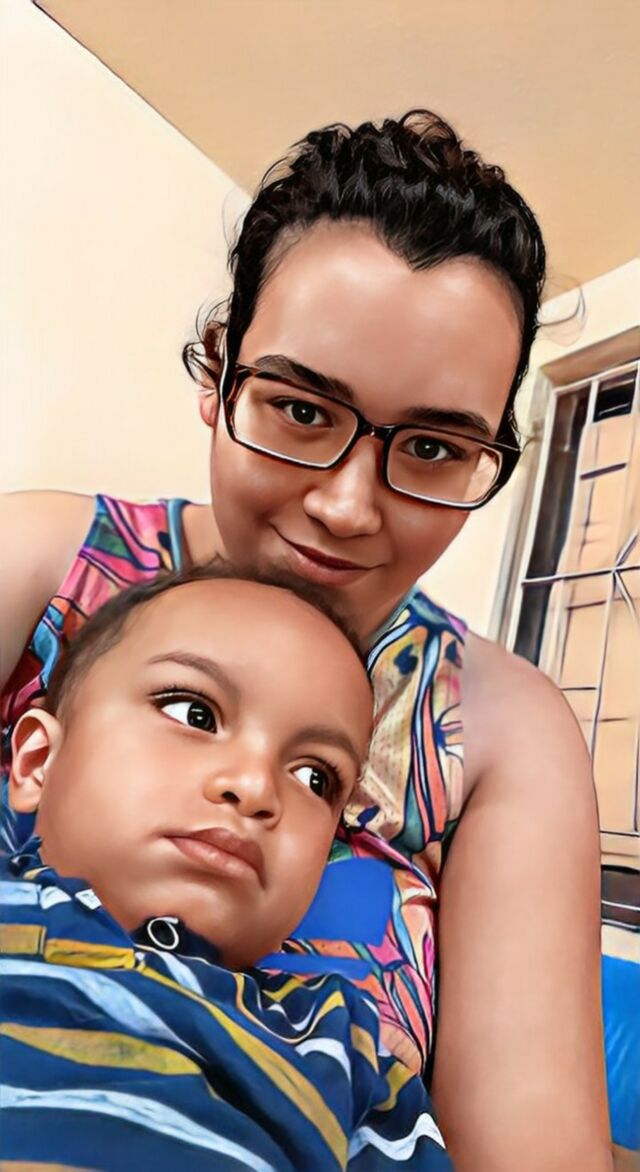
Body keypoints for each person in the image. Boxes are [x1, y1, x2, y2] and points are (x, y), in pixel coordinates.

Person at [0, 110, 612, 1171]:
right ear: (218, 375)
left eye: (432, 447)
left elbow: (532, 1146)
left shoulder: (502, 730)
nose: (345, 506)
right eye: (299, 409)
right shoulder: (39, 562)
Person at [1, 563, 453, 1171]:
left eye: (314, 777)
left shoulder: (346, 1048)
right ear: (37, 761)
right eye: (194, 713)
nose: (255, 787)